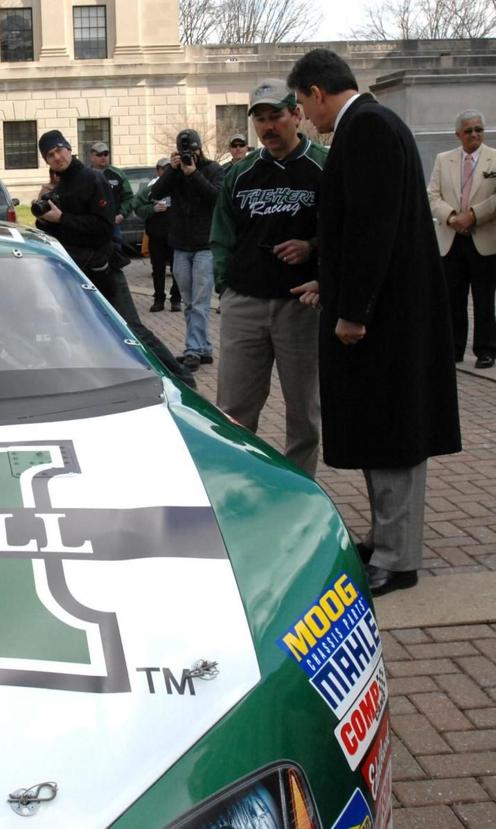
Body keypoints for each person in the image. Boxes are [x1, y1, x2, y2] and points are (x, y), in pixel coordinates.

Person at [287, 48, 460, 596]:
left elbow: (371, 230)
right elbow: (365, 231)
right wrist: (330, 284)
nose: (304, 117)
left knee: (393, 435)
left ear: (317, 92)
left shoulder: (365, 129)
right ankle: (385, 538)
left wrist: (353, 311)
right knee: (380, 430)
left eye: (301, 103)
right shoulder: (374, 125)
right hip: (384, 311)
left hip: (383, 321)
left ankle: (398, 556)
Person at [211, 78, 326, 476]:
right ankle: (239, 484)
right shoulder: (240, 173)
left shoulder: (323, 167)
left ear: (296, 114)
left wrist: (311, 247)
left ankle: (297, 490)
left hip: (302, 306)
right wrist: (225, 288)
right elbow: (221, 236)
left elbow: (348, 232)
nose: (267, 126)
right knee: (234, 410)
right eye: (259, 119)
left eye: (275, 115)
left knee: (303, 412)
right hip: (245, 304)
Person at [34, 129, 195, 388]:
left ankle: (182, 380)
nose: (57, 157)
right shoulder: (60, 187)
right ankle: (115, 383)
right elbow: (62, 232)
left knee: (132, 330)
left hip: (104, 269)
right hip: (78, 272)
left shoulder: (92, 179)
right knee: (93, 334)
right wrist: (45, 220)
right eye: (50, 155)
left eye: (59, 150)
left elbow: (103, 228)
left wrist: (62, 218)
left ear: (69, 149)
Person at [150, 128, 224, 372]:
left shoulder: (213, 169)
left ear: (200, 148)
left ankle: (192, 349)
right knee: (189, 301)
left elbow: (218, 199)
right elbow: (156, 193)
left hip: (205, 245)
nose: (188, 155)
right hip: (181, 245)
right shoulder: (175, 171)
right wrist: (172, 170)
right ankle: (204, 349)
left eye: (191, 150)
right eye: (184, 151)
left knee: (200, 302)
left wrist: (193, 174)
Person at [427, 109, 496, 369]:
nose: (474, 134)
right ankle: (453, 347)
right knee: (453, 297)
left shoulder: (494, 159)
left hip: (484, 238)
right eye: (468, 131)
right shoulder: (444, 160)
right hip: (452, 239)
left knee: (484, 298)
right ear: (458, 135)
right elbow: (433, 195)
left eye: (478, 129)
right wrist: (453, 217)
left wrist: (473, 216)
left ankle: (486, 349)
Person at [132, 158, 180, 313]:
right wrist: (153, 209)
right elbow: (138, 208)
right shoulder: (149, 189)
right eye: (163, 168)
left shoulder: (178, 186)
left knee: (177, 269)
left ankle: (176, 300)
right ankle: (159, 299)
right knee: (158, 269)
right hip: (156, 235)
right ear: (158, 170)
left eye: (169, 168)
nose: (166, 171)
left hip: (175, 235)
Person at [88, 141, 131, 245]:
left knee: (116, 256)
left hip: (113, 224)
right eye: (99, 155)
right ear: (91, 157)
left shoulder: (118, 174)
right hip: (90, 225)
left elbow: (129, 197)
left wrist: (122, 214)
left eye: (106, 154)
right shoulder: (85, 175)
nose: (103, 157)